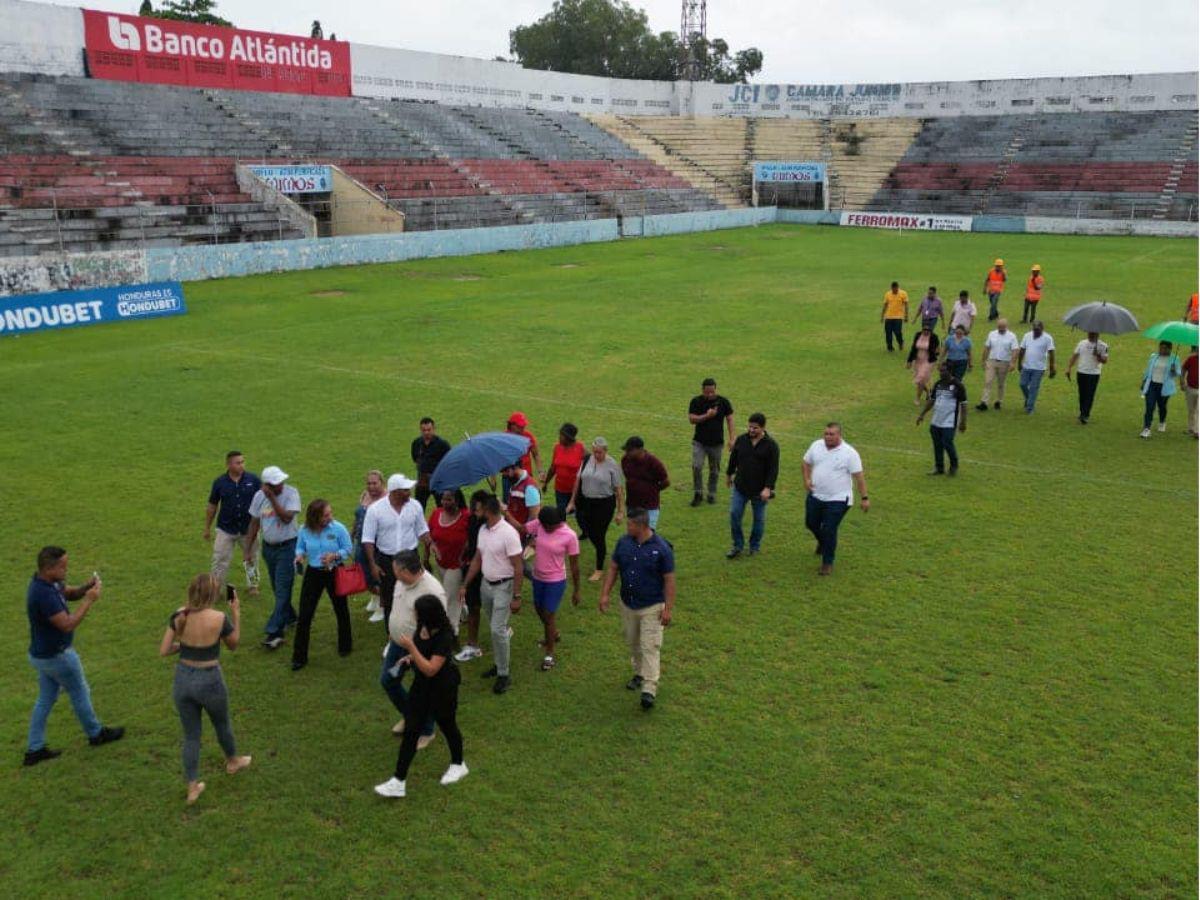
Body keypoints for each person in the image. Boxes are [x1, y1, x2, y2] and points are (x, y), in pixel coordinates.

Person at [24, 546, 124, 766]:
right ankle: (96, 734)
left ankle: (34, 749)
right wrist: (89, 600)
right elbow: (67, 625)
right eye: (62, 566)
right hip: (56, 656)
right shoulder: (42, 594)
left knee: (45, 699)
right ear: (49, 568)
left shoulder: (49, 583)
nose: (66, 570)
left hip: (41, 655)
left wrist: (86, 587)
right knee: (79, 690)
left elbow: (69, 593)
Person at [158, 574, 252, 805]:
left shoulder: (179, 615)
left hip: (183, 680)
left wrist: (186, 647)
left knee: (191, 735)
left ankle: (192, 786)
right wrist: (237, 615)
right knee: (221, 724)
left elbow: (164, 650)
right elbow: (234, 644)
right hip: (210, 680)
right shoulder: (219, 618)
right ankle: (233, 761)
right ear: (212, 595)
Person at [374, 595, 468, 798]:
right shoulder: (422, 628)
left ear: (428, 615)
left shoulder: (444, 636)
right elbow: (423, 657)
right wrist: (409, 659)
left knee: (447, 725)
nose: (413, 615)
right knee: (412, 730)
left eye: (416, 612)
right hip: (421, 687)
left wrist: (411, 649)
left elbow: (431, 669)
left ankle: (458, 764)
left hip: (442, 688)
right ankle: (398, 781)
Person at [598, 508, 676, 711]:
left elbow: (669, 580)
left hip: (652, 606)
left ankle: (649, 689)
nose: (627, 527)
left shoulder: (662, 549)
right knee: (633, 642)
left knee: (650, 646)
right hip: (628, 604)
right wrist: (605, 594)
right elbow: (614, 568)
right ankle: (639, 673)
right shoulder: (624, 543)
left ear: (642, 526)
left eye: (630, 524)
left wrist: (668, 608)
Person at [459, 496, 523, 695]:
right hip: (486, 586)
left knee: (497, 630)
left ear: (487, 510)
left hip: (504, 587)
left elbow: (518, 566)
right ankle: (499, 663)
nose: (474, 513)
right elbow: (478, 559)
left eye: (477, 509)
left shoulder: (508, 533)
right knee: (496, 628)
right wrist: (465, 584)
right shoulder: (483, 530)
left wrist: (517, 596)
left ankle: (503, 673)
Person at [383, 551, 447, 744]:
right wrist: (392, 632)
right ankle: (411, 715)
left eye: (395, 569)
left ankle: (427, 731)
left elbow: (438, 627)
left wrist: (417, 650)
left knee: (422, 690)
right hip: (397, 643)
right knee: (388, 681)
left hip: (417, 649)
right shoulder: (401, 581)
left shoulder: (432, 592)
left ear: (404, 570)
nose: (392, 572)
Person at [291, 499, 353, 671]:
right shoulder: (304, 530)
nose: (329, 517)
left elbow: (348, 549)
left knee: (341, 609)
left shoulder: (338, 528)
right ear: (315, 517)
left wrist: (334, 555)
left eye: (330, 513)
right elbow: (300, 548)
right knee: (305, 614)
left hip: (334, 572)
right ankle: (299, 657)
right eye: (325, 515)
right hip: (313, 573)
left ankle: (345, 646)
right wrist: (299, 556)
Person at [362, 473, 431, 628]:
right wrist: (373, 564)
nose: (409, 493)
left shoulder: (415, 506)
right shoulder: (375, 510)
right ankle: (392, 635)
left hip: (411, 557)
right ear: (395, 492)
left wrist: (429, 546)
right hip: (387, 559)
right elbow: (368, 539)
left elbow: (422, 530)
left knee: (414, 595)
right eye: (406, 490)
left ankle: (414, 630)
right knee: (389, 598)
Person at [244, 466, 301, 650]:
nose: (281, 485)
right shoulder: (258, 497)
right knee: (278, 588)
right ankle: (291, 617)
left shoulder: (291, 493)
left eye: (281, 481)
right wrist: (247, 550)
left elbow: (286, 518)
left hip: (288, 548)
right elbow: (254, 523)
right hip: (269, 549)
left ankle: (274, 632)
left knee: (283, 588)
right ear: (266, 485)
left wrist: (272, 498)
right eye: (276, 484)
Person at [802, 423, 869, 576]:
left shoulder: (849, 453)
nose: (828, 437)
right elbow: (805, 463)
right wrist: (806, 480)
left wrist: (864, 498)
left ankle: (827, 563)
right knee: (810, 523)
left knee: (829, 529)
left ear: (839, 435)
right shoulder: (816, 446)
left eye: (831, 434)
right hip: (816, 494)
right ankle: (823, 542)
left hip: (838, 498)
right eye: (826, 434)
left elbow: (859, 477)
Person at [525, 506, 581, 671]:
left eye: (548, 526)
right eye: (543, 526)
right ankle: (553, 634)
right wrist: (505, 512)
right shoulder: (540, 524)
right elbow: (523, 528)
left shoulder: (569, 536)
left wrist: (576, 590)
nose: (545, 528)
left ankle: (549, 654)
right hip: (538, 577)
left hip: (555, 580)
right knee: (538, 609)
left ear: (557, 523)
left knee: (549, 615)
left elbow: (575, 566)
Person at [567, 437, 625, 582]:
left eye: (599, 453)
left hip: (604, 504)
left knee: (598, 534)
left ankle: (599, 569)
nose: (596, 455)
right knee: (590, 531)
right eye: (594, 452)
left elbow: (618, 490)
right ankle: (603, 551)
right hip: (587, 502)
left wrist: (620, 511)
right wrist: (572, 501)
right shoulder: (587, 460)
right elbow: (578, 481)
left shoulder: (612, 465)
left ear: (605, 451)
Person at [204, 450, 262, 593]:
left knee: (252, 558)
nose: (242, 465)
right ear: (229, 464)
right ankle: (216, 590)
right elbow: (212, 506)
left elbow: (263, 501)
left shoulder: (253, 480)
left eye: (243, 462)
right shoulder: (219, 483)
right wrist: (207, 528)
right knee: (219, 560)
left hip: (248, 529)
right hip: (225, 529)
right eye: (238, 463)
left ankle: (253, 586)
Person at [725, 413, 780, 559]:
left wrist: (768, 488)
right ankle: (737, 545)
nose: (751, 430)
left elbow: (773, 469)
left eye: (755, 428)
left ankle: (754, 546)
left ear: (763, 428)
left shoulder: (771, 446)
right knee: (734, 514)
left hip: (759, 490)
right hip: (740, 487)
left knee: (759, 519)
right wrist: (729, 474)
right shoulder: (742, 440)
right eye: (749, 426)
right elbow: (733, 458)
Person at [453, 490, 491, 663]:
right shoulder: (472, 520)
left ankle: (475, 644)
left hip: (487, 569)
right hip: (473, 566)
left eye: (476, 508)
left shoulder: (492, 525)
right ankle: (472, 644)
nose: (473, 511)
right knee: (474, 606)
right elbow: (470, 540)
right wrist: (463, 553)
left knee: (486, 605)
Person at [425, 489, 470, 633]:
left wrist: (465, 554)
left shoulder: (466, 517)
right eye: (443, 499)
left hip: (457, 565)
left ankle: (452, 629)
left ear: (457, 501)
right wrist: (426, 556)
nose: (445, 502)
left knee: (449, 596)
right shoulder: (436, 514)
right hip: (441, 562)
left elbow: (472, 538)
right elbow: (428, 536)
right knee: (451, 592)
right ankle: (464, 612)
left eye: (449, 499)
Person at [687, 378, 735, 506]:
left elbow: (730, 419)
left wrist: (732, 438)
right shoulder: (696, 401)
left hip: (716, 443)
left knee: (714, 470)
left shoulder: (723, 402)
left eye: (712, 392)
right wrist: (706, 416)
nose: (710, 395)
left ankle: (711, 493)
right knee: (697, 466)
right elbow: (692, 419)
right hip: (700, 442)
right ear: (702, 390)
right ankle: (698, 493)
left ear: (715, 389)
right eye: (707, 392)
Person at [916, 362, 968, 476]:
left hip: (949, 421)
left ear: (950, 371)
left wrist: (963, 422)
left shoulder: (958, 385)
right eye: (940, 371)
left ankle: (954, 466)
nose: (941, 373)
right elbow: (932, 400)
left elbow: (964, 404)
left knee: (947, 442)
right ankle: (939, 467)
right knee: (937, 444)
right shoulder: (938, 384)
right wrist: (922, 414)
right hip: (936, 420)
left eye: (943, 371)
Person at [353, 470, 387, 622]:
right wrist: (352, 532)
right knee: (362, 574)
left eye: (375, 483)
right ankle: (374, 597)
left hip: (376, 544)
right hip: (360, 540)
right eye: (369, 483)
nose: (371, 487)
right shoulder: (365, 495)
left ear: (382, 483)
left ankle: (382, 606)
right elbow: (358, 516)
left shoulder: (386, 499)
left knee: (376, 575)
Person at [621, 436, 670, 530]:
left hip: (649, 506)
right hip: (632, 504)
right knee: (632, 533)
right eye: (626, 450)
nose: (627, 453)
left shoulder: (654, 462)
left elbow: (666, 481)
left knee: (647, 535)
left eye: (630, 450)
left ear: (640, 449)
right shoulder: (625, 460)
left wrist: (653, 490)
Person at [1065, 332, 1110, 424]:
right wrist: (1069, 368)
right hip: (1081, 371)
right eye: (1089, 333)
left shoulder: (1103, 346)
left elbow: (1105, 361)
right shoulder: (1081, 343)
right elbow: (1074, 356)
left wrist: (1098, 355)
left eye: (1092, 334)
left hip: (1094, 373)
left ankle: (1085, 415)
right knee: (1082, 393)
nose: (1089, 335)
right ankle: (1082, 412)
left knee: (1089, 394)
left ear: (1097, 334)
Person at [1139, 341, 1181, 438]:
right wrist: (1144, 381)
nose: (1161, 350)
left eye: (1164, 348)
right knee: (1149, 406)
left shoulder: (1174, 359)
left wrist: (1173, 370)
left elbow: (1176, 374)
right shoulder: (1154, 356)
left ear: (1169, 349)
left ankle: (1162, 421)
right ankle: (1146, 428)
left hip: (1164, 386)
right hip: (1152, 385)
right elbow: (1148, 370)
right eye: (1160, 348)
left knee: (1162, 406)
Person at [542, 423, 586, 516]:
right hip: (560, 489)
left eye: (562, 435)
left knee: (580, 516)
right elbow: (553, 467)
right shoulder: (557, 447)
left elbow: (589, 465)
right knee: (561, 515)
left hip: (576, 490)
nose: (559, 437)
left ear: (569, 437)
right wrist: (546, 482)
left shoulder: (580, 448)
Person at [976, 318, 1020, 411]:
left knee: (1001, 383)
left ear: (1006, 327)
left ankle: (999, 400)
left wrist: (1012, 363)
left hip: (1004, 362)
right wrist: (983, 360)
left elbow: (1015, 350)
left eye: (1003, 328)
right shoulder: (992, 334)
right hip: (992, 361)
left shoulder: (1012, 336)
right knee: (988, 381)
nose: (1001, 330)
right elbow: (987, 347)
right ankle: (984, 402)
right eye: (999, 328)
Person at [411, 417, 452, 511]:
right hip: (422, 480)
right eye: (423, 430)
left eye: (429, 430)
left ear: (434, 429)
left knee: (442, 506)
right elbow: (415, 458)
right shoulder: (416, 443)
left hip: (438, 481)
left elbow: (449, 461)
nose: (426, 432)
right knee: (418, 508)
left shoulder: (442, 444)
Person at [1017, 320, 1056, 414]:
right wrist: (1019, 363)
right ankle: (1029, 399)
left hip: (1039, 368)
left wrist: (1052, 368)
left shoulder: (1048, 338)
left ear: (1042, 329)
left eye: (1038, 330)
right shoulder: (1027, 335)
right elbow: (1022, 349)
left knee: (1034, 387)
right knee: (1022, 384)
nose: (1036, 332)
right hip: (1026, 366)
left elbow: (1051, 353)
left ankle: (1030, 407)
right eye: (1034, 329)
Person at [499, 461, 542, 532]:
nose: (505, 475)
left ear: (516, 468)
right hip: (514, 531)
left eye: (507, 471)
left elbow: (534, 519)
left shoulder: (530, 488)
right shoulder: (515, 483)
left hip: (522, 535)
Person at [907, 324, 940, 405]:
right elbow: (913, 348)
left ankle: (917, 398)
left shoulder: (934, 337)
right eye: (924, 330)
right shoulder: (918, 335)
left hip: (929, 361)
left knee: (921, 378)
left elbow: (937, 348)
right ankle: (929, 392)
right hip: (918, 360)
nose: (926, 332)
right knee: (919, 381)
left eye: (928, 331)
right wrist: (909, 361)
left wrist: (937, 352)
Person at [505, 412, 542, 483]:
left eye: (524, 426)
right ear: (512, 425)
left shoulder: (528, 436)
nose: (523, 428)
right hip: (509, 477)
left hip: (526, 476)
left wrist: (540, 471)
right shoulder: (504, 438)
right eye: (520, 426)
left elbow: (536, 455)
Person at [880, 281, 908, 351]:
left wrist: (906, 316)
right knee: (888, 333)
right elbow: (885, 305)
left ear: (898, 287)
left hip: (898, 317)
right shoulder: (888, 294)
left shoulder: (903, 293)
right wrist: (882, 316)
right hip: (888, 317)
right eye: (893, 289)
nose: (894, 291)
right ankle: (890, 347)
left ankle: (900, 342)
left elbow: (906, 305)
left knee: (898, 332)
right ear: (891, 288)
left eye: (895, 289)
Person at [1182, 346, 1199, 438]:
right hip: (1191, 388)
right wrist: (1182, 381)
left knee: (1198, 410)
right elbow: (1184, 369)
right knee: (1191, 409)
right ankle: (1191, 429)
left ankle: (1197, 431)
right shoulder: (1191, 359)